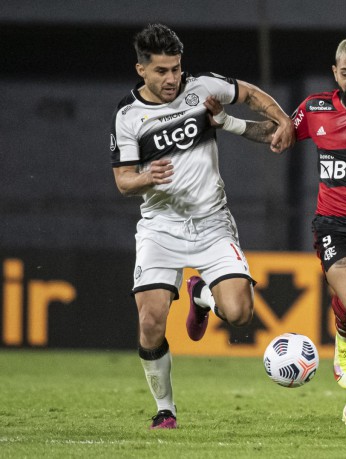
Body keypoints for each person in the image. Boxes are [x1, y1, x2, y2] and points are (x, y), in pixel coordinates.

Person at [109, 23, 294, 429]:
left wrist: (283, 120)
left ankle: (201, 298)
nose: (172, 78)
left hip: (212, 222)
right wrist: (146, 178)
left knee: (240, 313)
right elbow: (123, 179)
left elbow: (249, 94)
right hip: (160, 226)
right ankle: (165, 409)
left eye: (176, 68)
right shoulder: (128, 116)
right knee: (151, 322)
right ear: (142, 70)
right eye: (161, 71)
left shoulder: (202, 87)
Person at [236, 36, 346, 432]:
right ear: (335, 73)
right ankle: (344, 337)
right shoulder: (315, 108)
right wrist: (225, 122)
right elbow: (274, 131)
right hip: (336, 226)